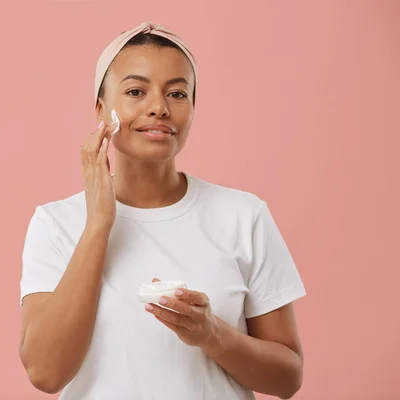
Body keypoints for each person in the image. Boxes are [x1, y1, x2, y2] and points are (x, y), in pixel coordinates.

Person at [18, 21, 306, 400]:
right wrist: (99, 224)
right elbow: (46, 373)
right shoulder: (56, 224)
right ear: (102, 109)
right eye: (136, 91)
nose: (159, 108)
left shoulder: (243, 216)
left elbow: (287, 379)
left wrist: (212, 335)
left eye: (177, 93)